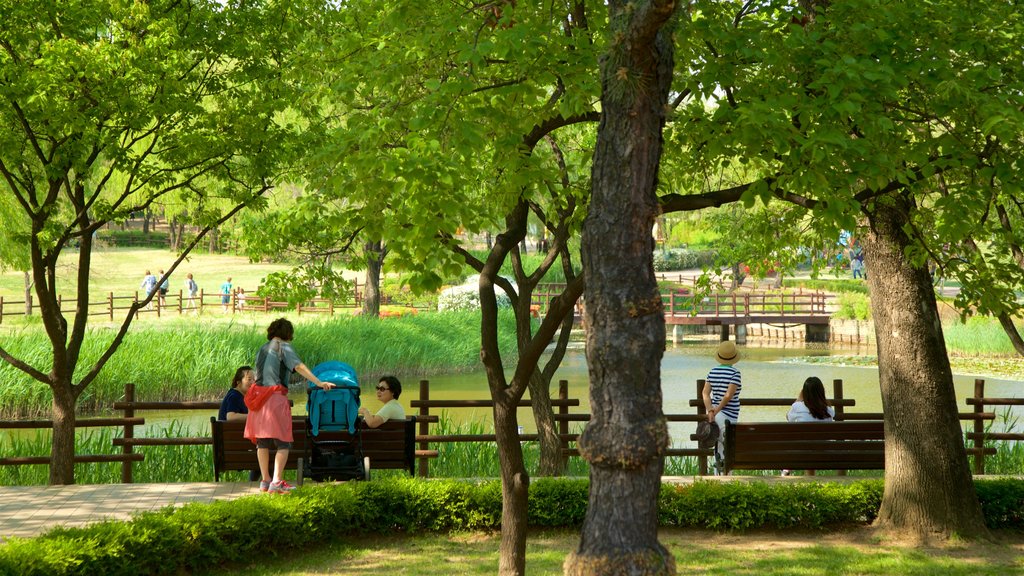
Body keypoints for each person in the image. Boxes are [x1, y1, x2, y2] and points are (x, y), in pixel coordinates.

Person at [244, 318, 335, 494]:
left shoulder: (262, 348)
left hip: (258, 400)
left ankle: (265, 480)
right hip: (274, 399)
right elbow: (298, 366)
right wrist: (318, 382)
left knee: (262, 442)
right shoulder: (283, 347)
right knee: (283, 443)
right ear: (288, 333)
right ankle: (277, 481)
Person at [702, 340, 741, 475]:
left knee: (719, 447)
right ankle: (726, 477)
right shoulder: (735, 373)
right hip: (729, 416)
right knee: (727, 447)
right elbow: (729, 395)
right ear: (734, 357)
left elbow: (705, 393)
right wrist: (716, 410)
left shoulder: (712, 372)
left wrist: (710, 410)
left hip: (716, 416)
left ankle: (718, 476)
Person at [783, 376, 835, 476]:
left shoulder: (797, 406)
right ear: (822, 392)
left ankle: (786, 470)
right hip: (823, 451)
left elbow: (789, 418)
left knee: (796, 441)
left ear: (804, 393)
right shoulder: (828, 410)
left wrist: (798, 399)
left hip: (802, 451)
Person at [219, 366, 260, 481]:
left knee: (263, 450)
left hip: (232, 448)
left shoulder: (241, 396)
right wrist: (255, 416)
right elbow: (230, 417)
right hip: (235, 450)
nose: (253, 383)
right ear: (238, 382)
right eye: (249, 379)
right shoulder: (234, 396)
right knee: (267, 451)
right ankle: (268, 483)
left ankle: (254, 483)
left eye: (254, 380)